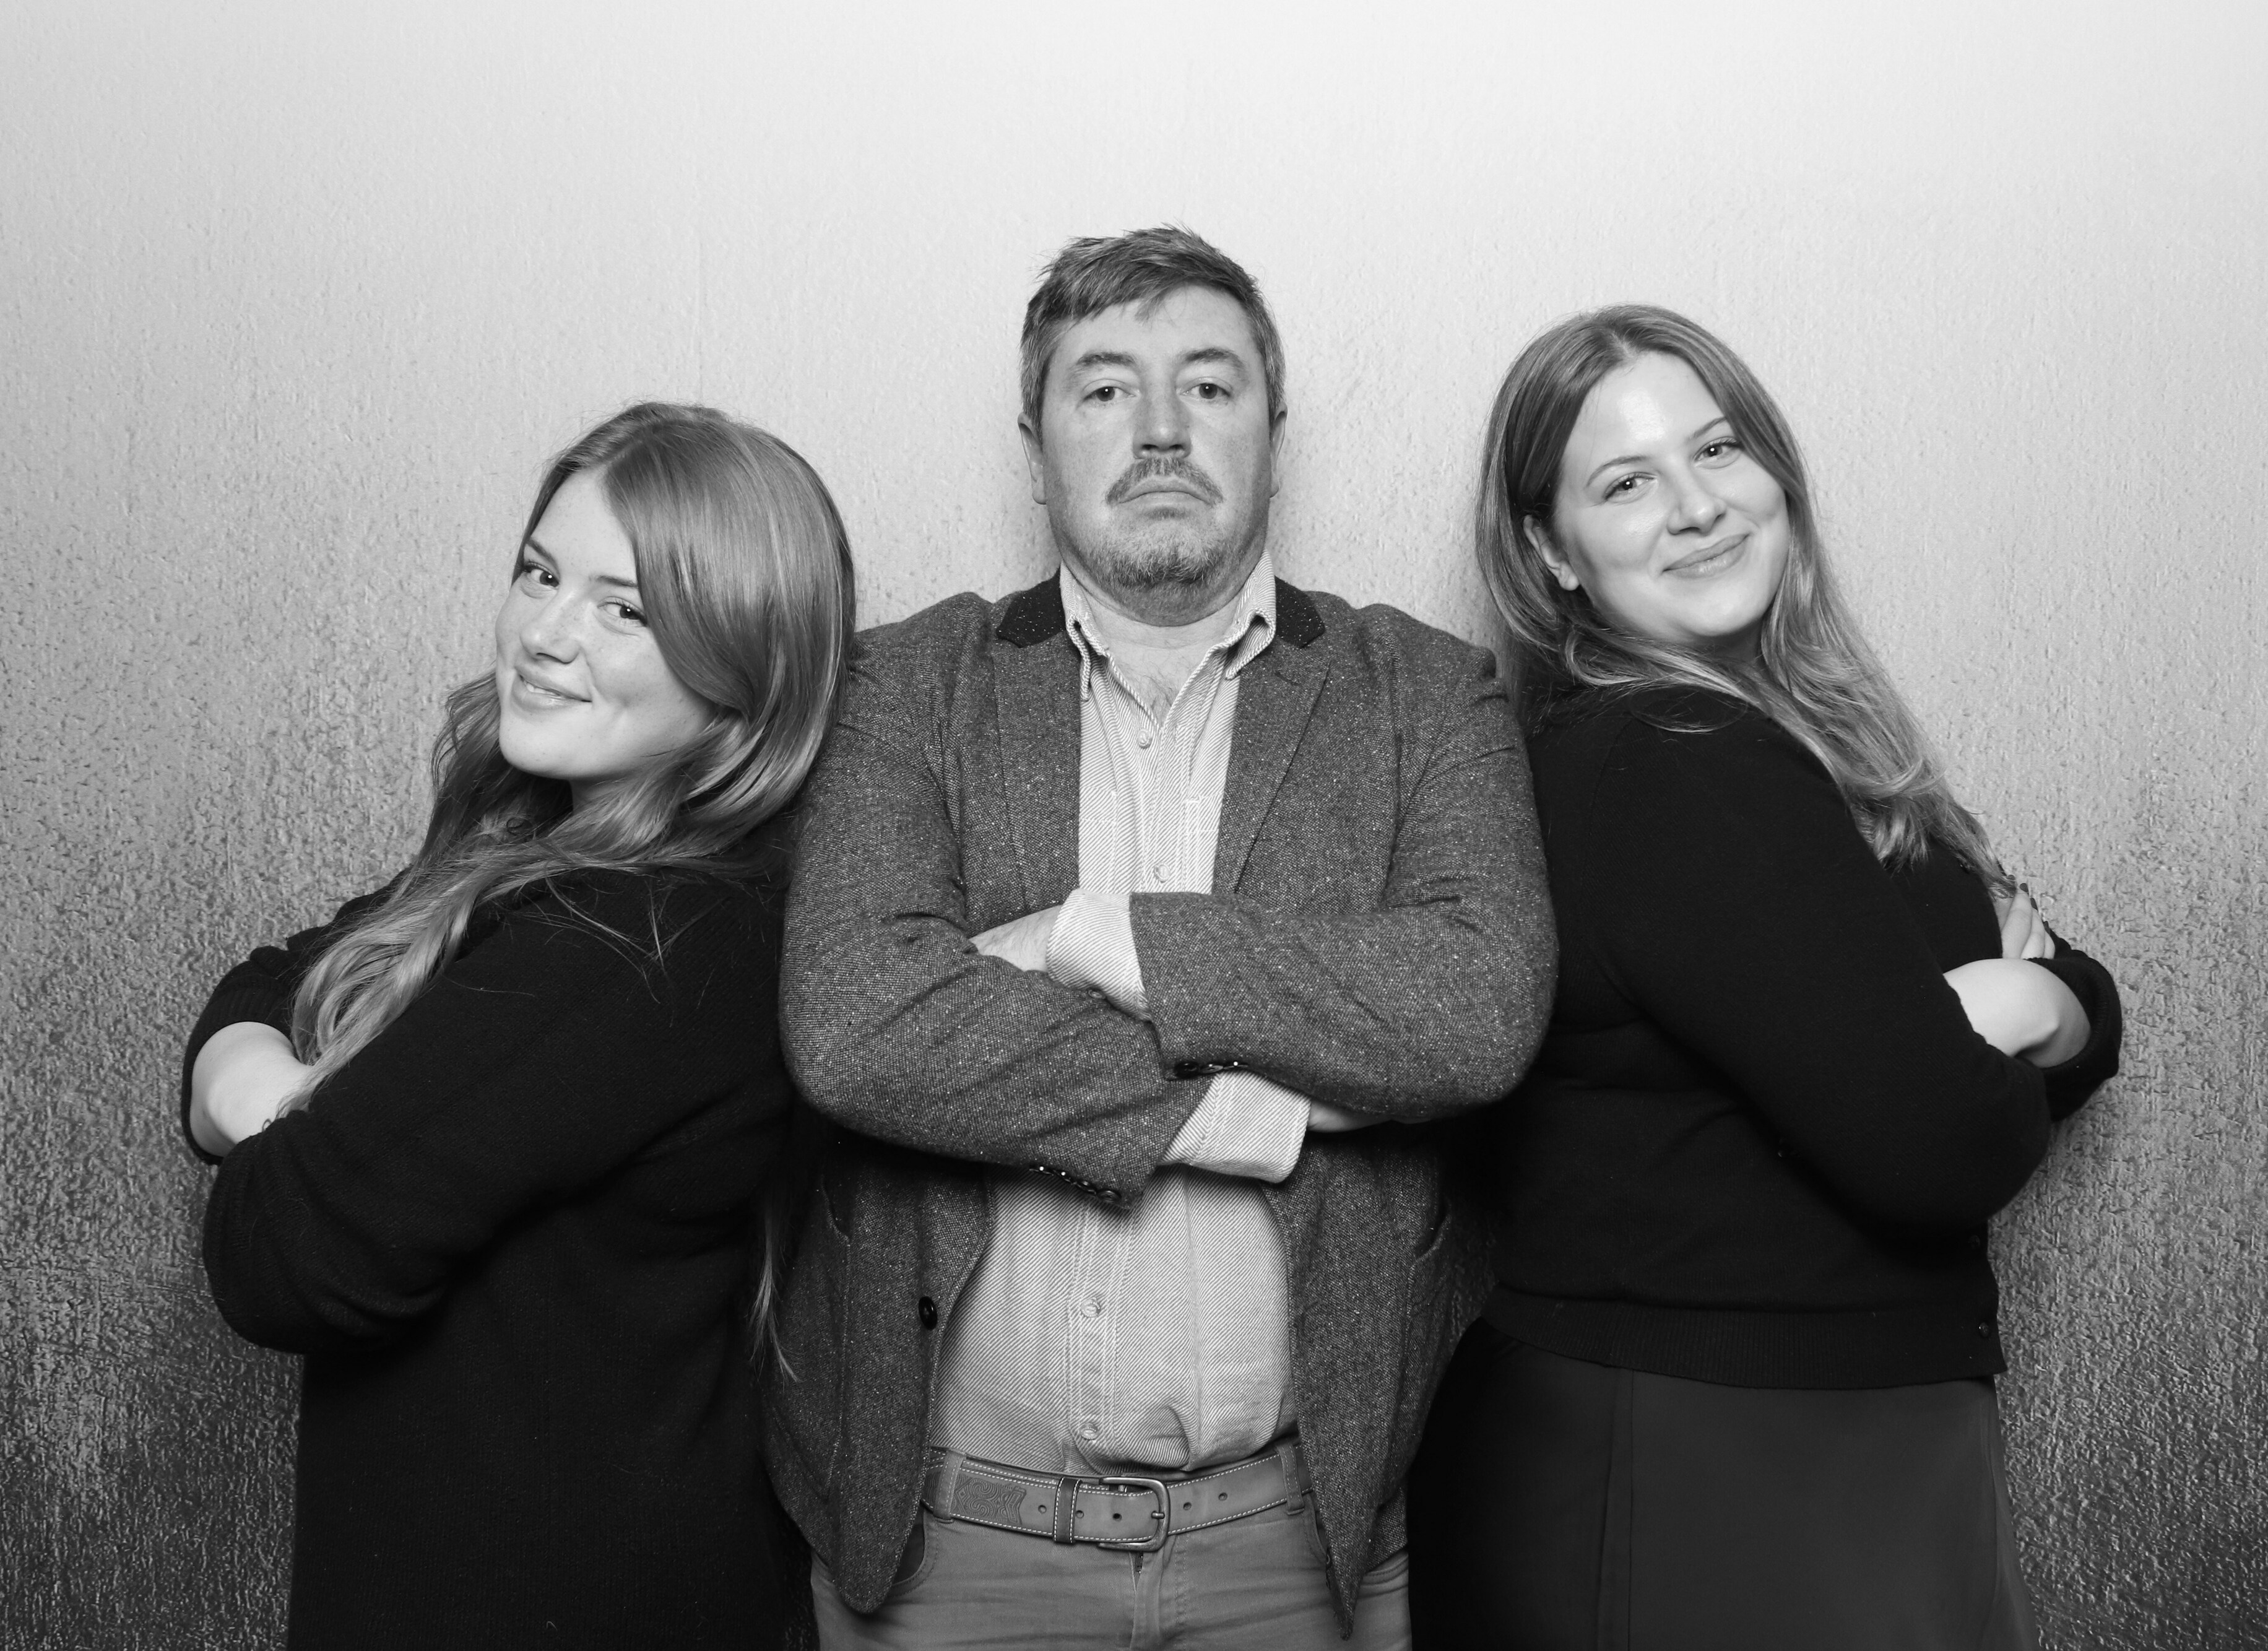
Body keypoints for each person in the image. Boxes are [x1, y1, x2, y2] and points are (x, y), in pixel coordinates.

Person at [765, 226, 1556, 1650]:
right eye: (1102, 388)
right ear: (1035, 446)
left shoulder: (1425, 694)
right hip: (948, 1548)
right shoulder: (903, 683)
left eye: (1207, 384)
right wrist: (1253, 1106)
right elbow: (858, 1025)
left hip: (1300, 1548)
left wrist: (1088, 934)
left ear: (1272, 430)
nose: (1159, 430)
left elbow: (1475, 1008)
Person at [1408, 306, 2124, 1649]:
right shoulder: (1670, 759)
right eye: (1626, 483)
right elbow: (1940, 1141)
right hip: (1702, 1448)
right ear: (1551, 551)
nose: (1695, 507)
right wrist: (1987, 1008)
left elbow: (2076, 997)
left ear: (1774, 469)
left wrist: (2032, 1004)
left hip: (1834, 1434)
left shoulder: (1821, 742)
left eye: (1717, 449)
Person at [181, 402, 853, 1650]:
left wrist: (278, 1114)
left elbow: (278, 1251)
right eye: (540, 574)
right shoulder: (532, 855)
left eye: (625, 609)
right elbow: (267, 982)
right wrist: (275, 1098)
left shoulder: (650, 938)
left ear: (745, 672)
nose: (544, 634)